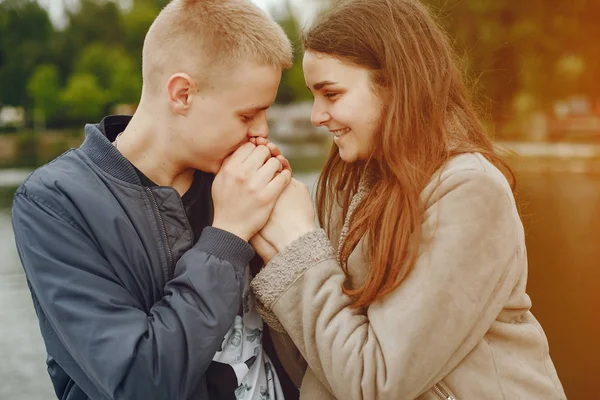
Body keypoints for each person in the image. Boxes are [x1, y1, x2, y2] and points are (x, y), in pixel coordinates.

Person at [248, 0, 567, 399]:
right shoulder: (350, 185)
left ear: (395, 84)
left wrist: (297, 247)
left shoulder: (470, 191)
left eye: (331, 93)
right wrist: (274, 254)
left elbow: (376, 384)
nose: (316, 116)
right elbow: (320, 365)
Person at [11, 0, 299, 399]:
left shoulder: (246, 178)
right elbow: (139, 382)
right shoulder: (55, 204)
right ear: (182, 94)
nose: (262, 132)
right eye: (248, 115)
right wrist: (228, 235)